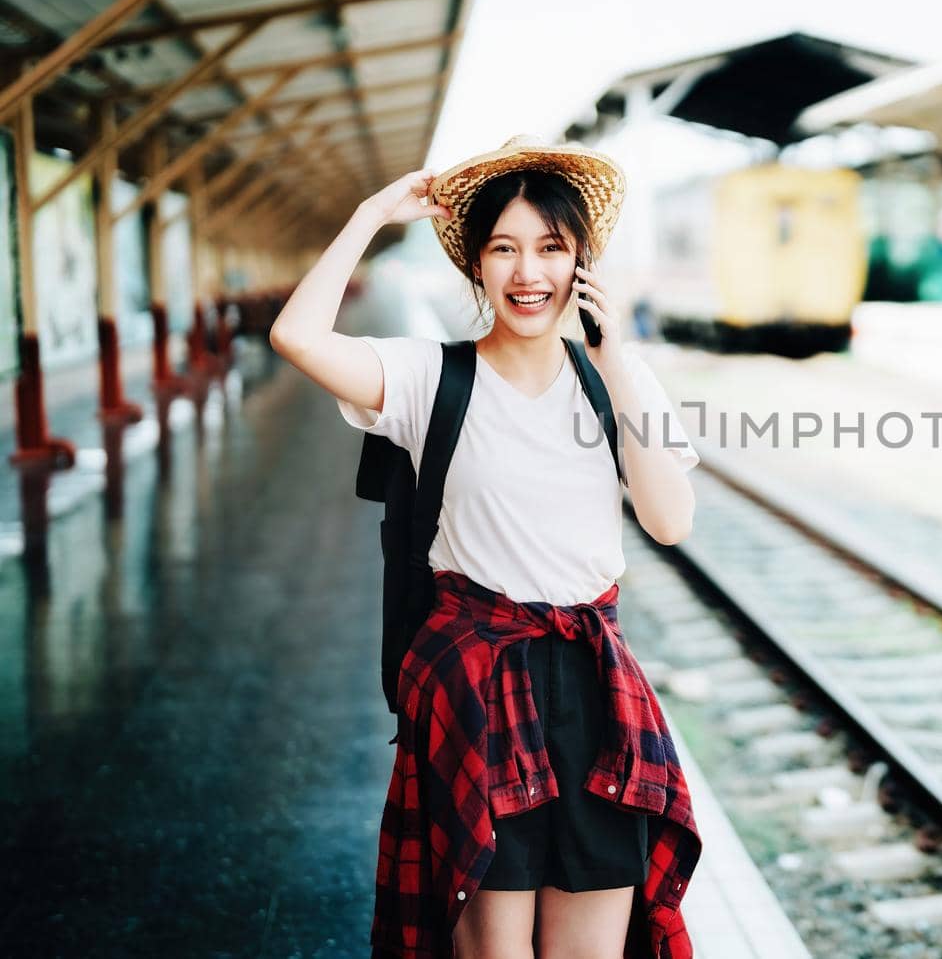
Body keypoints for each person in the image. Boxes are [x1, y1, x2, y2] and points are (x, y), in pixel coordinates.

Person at [269, 137, 702, 959]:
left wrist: (616, 361)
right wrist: (368, 216)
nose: (526, 271)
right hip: (476, 686)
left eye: (550, 247)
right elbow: (296, 335)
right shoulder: (432, 376)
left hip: (596, 690)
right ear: (475, 264)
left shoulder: (614, 379)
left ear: (581, 262)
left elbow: (671, 520)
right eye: (503, 247)